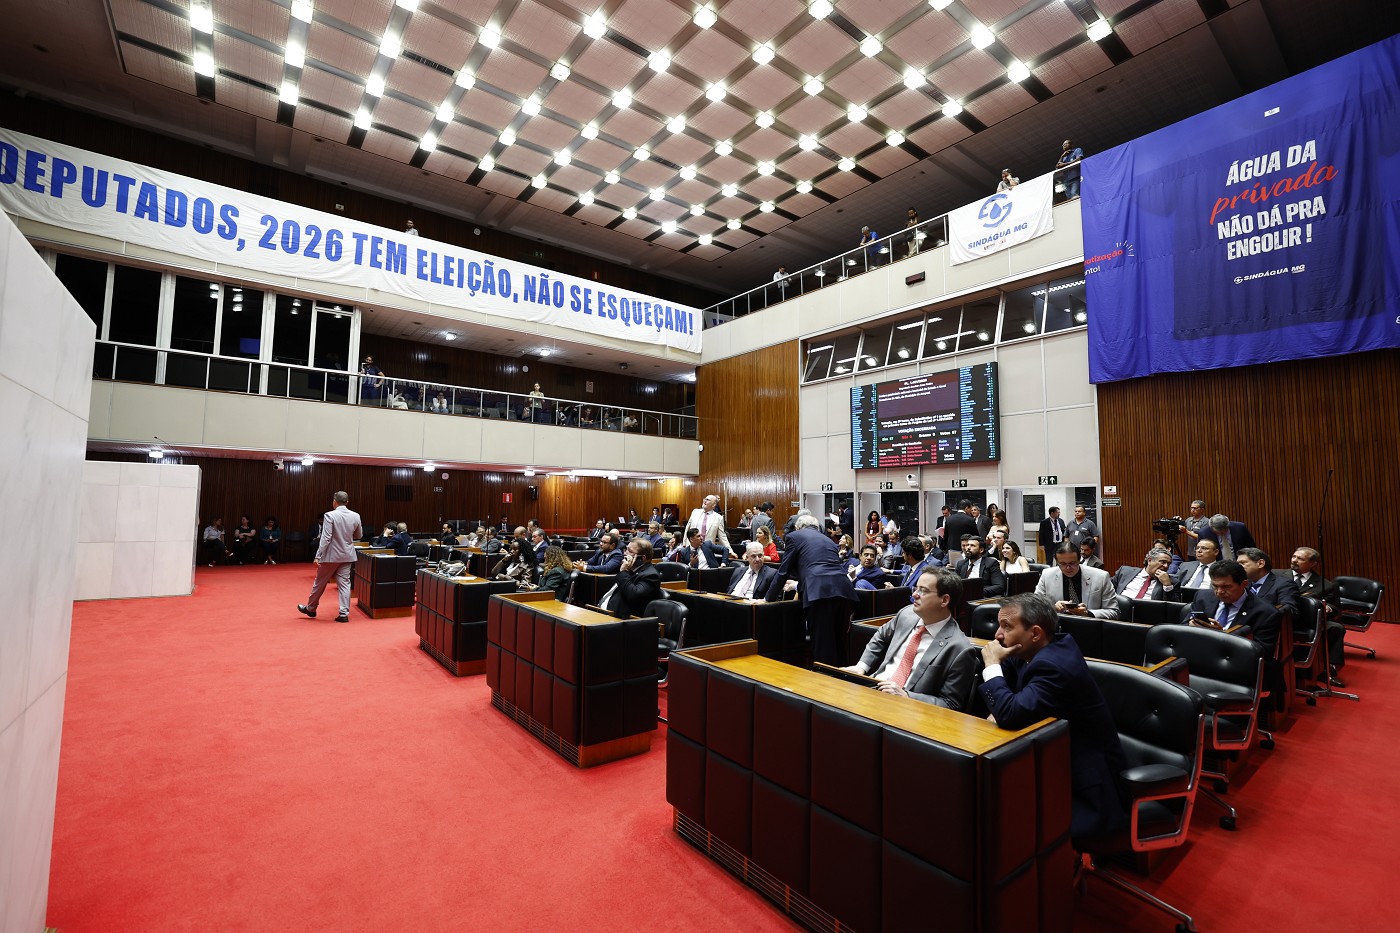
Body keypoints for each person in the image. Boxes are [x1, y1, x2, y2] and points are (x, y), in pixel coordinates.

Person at [980, 594, 1128, 838]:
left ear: (1035, 633)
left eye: (1007, 626)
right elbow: (1001, 697)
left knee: (1001, 821)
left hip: (1085, 788)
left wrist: (991, 667)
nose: (997, 635)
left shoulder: (1054, 665)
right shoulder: (1033, 650)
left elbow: (1009, 713)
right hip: (1050, 760)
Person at [845, 568, 976, 709]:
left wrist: (907, 697)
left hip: (909, 711)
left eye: (923, 590)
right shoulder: (906, 614)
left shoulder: (960, 649)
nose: (914, 594)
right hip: (873, 689)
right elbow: (881, 636)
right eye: (916, 588)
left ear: (944, 600)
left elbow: (951, 704)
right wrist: (861, 667)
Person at [764, 513, 858, 666]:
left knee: (822, 643)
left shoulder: (794, 537)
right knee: (840, 641)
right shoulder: (828, 540)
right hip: (844, 590)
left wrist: (768, 598)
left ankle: (823, 684)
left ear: (798, 527)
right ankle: (843, 680)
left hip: (820, 592)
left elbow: (783, 571)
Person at [1187, 560, 1282, 659]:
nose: (1219, 592)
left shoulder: (1266, 612)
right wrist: (1191, 627)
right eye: (1215, 586)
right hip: (1201, 655)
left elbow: (1262, 653)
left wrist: (1223, 636)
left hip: (1237, 663)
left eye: (1226, 587)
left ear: (1244, 584)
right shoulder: (1202, 597)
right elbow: (1183, 626)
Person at [297, 491, 363, 623]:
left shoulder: (330, 515)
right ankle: (344, 614)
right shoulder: (356, 515)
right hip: (347, 555)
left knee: (319, 583)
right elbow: (359, 535)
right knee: (345, 584)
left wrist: (318, 555)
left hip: (331, 556)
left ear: (334, 501)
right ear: (347, 502)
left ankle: (311, 608)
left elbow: (326, 538)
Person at [1290, 547, 1346, 687]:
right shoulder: (1277, 575)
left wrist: (1328, 608)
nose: (1294, 560)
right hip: (1286, 619)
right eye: (1294, 557)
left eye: (1300, 559)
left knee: (1336, 628)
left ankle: (1328, 670)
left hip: (1310, 622)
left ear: (1313, 563)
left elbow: (1336, 609)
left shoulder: (1325, 585)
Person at [1035, 541, 1119, 618]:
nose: (1068, 568)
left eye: (1073, 563)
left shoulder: (1101, 577)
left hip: (1089, 628)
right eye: (1062, 564)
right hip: (1059, 628)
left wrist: (1088, 613)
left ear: (1079, 560)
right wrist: (1053, 608)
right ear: (1056, 561)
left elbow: (1114, 612)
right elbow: (1035, 607)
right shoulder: (1047, 575)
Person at [597, 538, 661, 617]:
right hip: (604, 613)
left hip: (621, 620)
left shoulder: (651, 576)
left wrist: (623, 572)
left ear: (642, 558)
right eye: (625, 549)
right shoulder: (630, 569)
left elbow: (634, 596)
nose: (624, 553)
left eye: (630, 551)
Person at [684, 494, 734, 558]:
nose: (705, 501)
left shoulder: (718, 518)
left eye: (708, 500)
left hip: (707, 550)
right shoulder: (695, 512)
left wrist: (730, 551)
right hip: (691, 547)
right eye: (705, 499)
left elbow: (722, 536)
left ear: (714, 505)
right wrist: (684, 543)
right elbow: (687, 528)